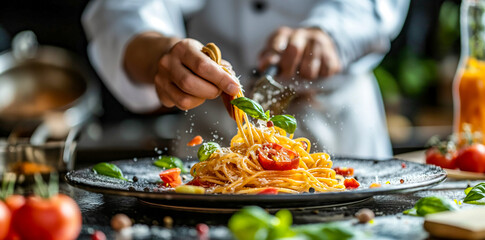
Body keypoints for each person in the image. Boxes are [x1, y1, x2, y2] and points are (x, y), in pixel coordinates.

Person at [82, 0, 409, 159]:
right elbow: (122, 10)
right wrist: (162, 56)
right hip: (213, 122)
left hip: (337, 118)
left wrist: (331, 31)